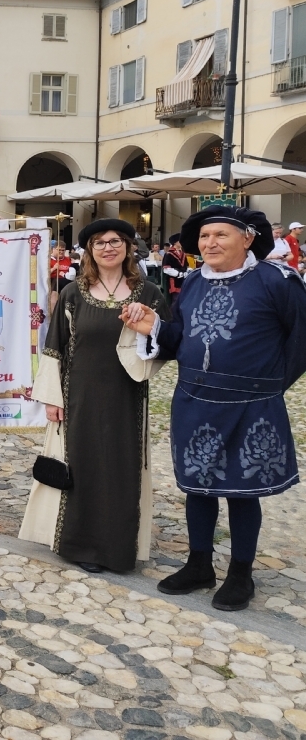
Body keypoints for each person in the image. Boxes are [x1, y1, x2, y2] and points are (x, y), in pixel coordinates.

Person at [125, 206, 306, 610]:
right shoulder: (192, 282)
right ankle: (199, 563)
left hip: (251, 403)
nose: (210, 243)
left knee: (242, 491)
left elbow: (301, 339)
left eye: (221, 235)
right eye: (205, 237)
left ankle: (241, 573)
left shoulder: (278, 281)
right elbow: (180, 338)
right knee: (197, 486)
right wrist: (153, 326)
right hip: (194, 398)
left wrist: (270, 387)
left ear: (247, 238)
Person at [18, 219, 169, 574]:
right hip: (79, 394)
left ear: (129, 247)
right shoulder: (73, 292)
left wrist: (147, 324)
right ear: (89, 251)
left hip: (126, 394)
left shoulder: (149, 293)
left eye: (116, 241)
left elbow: (167, 343)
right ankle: (80, 544)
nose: (108, 247)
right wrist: (53, 398)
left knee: (120, 468)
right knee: (82, 466)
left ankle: (116, 549)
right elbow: (54, 347)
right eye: (99, 242)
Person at [162, 233, 189, 301]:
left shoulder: (183, 253)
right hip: (174, 280)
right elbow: (166, 269)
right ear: (175, 242)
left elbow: (186, 265)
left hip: (183, 280)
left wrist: (188, 271)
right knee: (175, 299)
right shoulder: (169, 254)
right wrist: (178, 274)